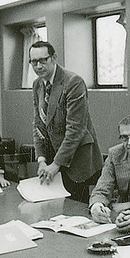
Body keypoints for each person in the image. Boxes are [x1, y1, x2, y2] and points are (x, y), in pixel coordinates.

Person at [30, 40, 103, 203]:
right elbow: (38, 125)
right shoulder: (37, 84)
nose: (38, 66)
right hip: (54, 157)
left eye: (43, 60)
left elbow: (75, 130)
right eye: (34, 62)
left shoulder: (73, 82)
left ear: (54, 58)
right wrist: (41, 160)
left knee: (76, 209)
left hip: (78, 160)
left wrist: (56, 164)